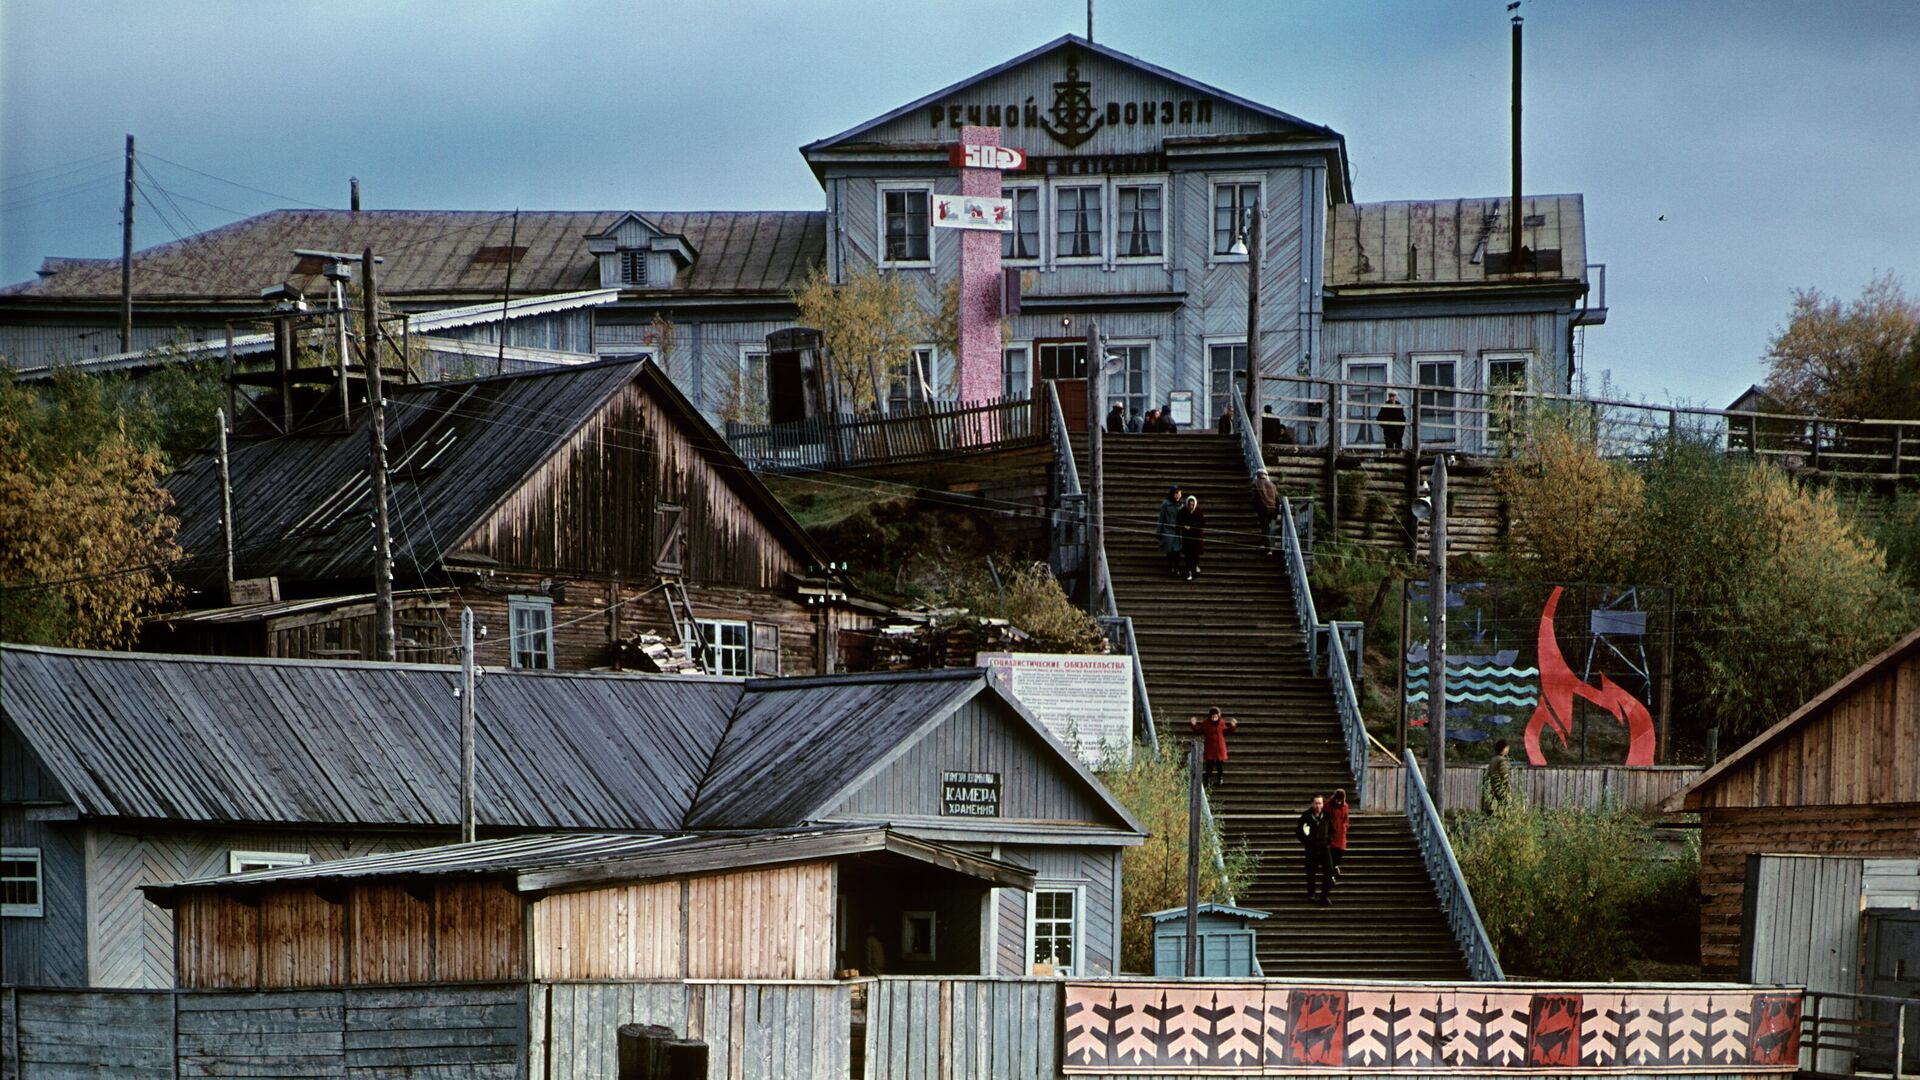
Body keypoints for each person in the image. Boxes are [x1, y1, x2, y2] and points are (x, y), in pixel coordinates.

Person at [1297, 794, 1334, 904]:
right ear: (1312, 804)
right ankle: (1311, 893)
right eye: (1316, 803)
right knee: (1311, 872)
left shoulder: (1327, 815)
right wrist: (1307, 841)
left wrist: (1328, 841)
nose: (1318, 805)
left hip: (1324, 848)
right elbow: (1299, 832)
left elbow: (1333, 830)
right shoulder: (1306, 816)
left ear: (1323, 804)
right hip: (1311, 849)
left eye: (1320, 803)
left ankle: (1324, 895)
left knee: (1329, 871)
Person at [1189, 706, 1237, 788]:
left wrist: (1232, 726)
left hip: (1219, 747)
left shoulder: (1221, 723)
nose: (1214, 718)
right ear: (1210, 716)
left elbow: (1227, 730)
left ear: (1218, 716)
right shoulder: (1206, 723)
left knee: (1219, 765)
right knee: (1209, 765)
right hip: (1210, 748)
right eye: (1213, 717)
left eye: (1216, 717)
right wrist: (1193, 724)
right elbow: (1198, 730)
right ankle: (1207, 780)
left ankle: (1220, 779)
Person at [1176, 494, 1206, 580]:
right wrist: (1183, 526)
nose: (1191, 506)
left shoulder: (1199, 511)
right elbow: (1179, 522)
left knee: (1196, 553)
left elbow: (1202, 523)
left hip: (1197, 536)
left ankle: (1196, 565)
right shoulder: (1183, 511)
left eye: (1193, 504)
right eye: (1190, 504)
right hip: (1187, 536)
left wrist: (1192, 526)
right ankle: (1189, 572)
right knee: (1188, 555)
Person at [1156, 485, 1184, 575]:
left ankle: (1177, 567)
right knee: (1169, 550)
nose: (1178, 496)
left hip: (1177, 531)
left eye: (1179, 493)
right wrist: (1158, 531)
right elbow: (1161, 517)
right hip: (1167, 530)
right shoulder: (1166, 504)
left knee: (1177, 550)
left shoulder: (1181, 505)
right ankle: (1170, 566)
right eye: (1176, 493)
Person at [1252, 468, 1280, 555]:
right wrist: (1276, 511)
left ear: (1258, 475)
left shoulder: (1255, 483)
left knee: (1265, 529)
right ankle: (1262, 542)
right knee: (1266, 527)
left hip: (1263, 509)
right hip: (1273, 509)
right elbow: (1278, 499)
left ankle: (1269, 550)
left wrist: (1255, 508)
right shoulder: (1272, 484)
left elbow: (1254, 498)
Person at [1482, 739, 1516, 810]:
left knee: (1493, 807)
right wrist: (1507, 788)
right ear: (1504, 748)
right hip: (1500, 787)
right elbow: (1504, 775)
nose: (1508, 749)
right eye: (1507, 748)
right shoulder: (1502, 760)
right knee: (1504, 806)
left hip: (1492, 786)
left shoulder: (1493, 759)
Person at [1328, 788, 1350, 882]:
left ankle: (1334, 867)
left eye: (1340, 800)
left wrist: (1345, 826)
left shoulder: (1345, 806)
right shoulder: (1329, 805)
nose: (1338, 802)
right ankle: (1331, 874)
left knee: (1340, 851)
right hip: (1332, 832)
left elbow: (1346, 818)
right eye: (1337, 799)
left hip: (1341, 832)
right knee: (1332, 853)